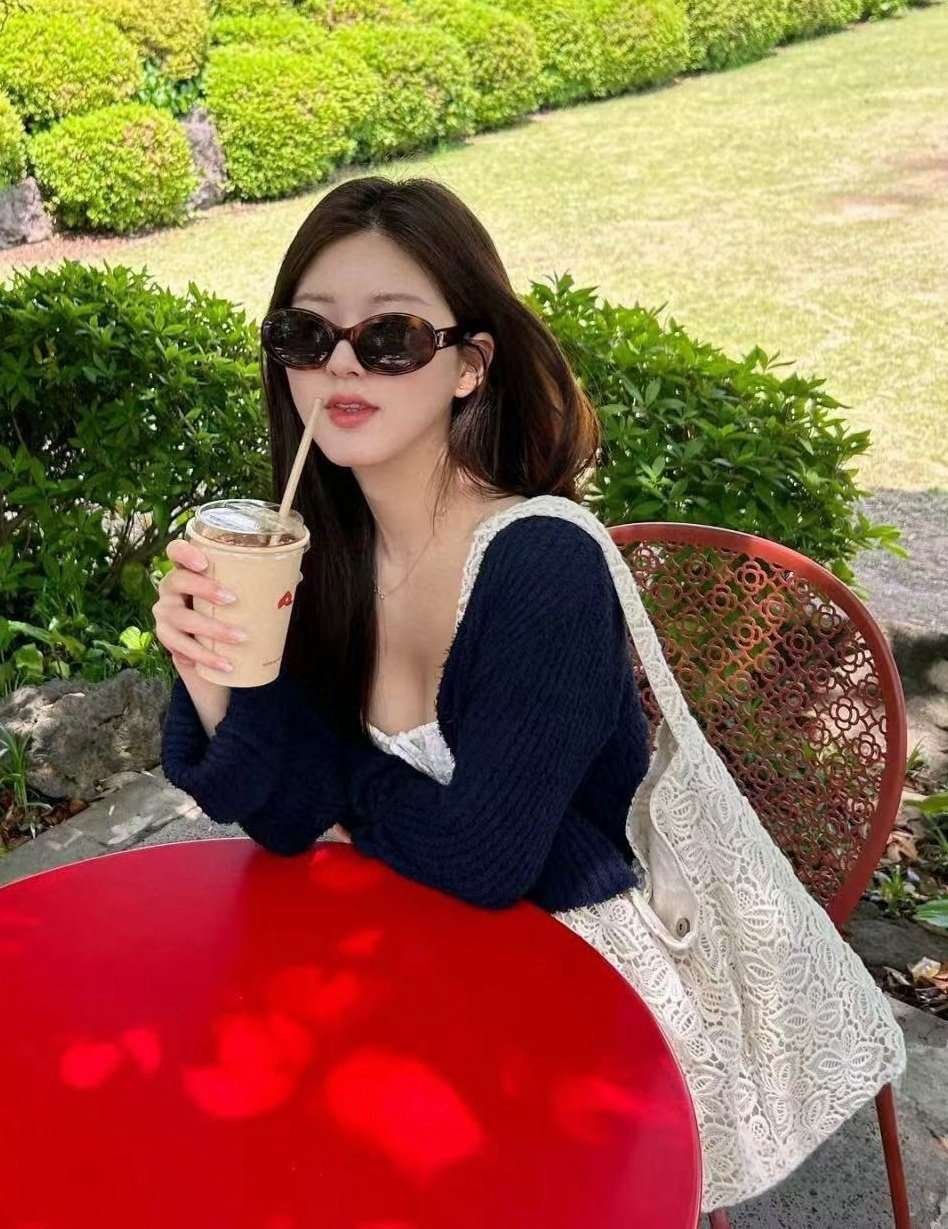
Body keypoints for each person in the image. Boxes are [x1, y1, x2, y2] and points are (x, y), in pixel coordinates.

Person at [155, 175, 905, 1217]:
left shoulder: (540, 564)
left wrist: (333, 778)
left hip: (584, 979)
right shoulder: (322, 557)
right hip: (419, 942)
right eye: (307, 333)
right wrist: (219, 685)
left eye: (390, 337)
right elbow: (287, 818)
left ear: (470, 364)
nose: (340, 365)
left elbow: (483, 854)